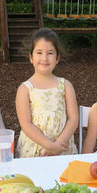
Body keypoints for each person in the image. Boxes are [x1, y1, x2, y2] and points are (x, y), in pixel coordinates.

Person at [15, 28, 78, 157]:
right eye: (39, 52)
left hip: (63, 147)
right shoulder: (25, 89)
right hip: (35, 150)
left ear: (57, 58)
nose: (44, 58)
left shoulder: (65, 85)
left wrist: (58, 145)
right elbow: (26, 124)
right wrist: (50, 146)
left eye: (50, 53)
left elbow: (73, 119)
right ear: (31, 57)